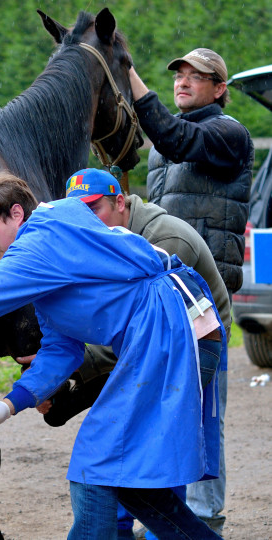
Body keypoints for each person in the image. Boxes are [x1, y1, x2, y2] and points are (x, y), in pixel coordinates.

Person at [0, 169, 224, 539]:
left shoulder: (44, 237)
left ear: (17, 214)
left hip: (171, 331)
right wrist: (6, 406)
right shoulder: (49, 267)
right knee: (131, 485)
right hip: (174, 331)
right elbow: (61, 350)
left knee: (96, 463)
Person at [29, 173, 230, 538]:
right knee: (123, 451)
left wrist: (69, 372)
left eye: (95, 209)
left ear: (120, 202)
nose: (88, 221)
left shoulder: (161, 239)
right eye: (80, 213)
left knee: (155, 449)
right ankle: (122, 529)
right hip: (144, 347)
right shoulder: (106, 240)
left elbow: (154, 326)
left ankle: (162, 530)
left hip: (193, 347)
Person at [128, 47, 254, 536]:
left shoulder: (228, 134)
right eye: (179, 73)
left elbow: (175, 135)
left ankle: (204, 518)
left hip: (205, 299)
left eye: (196, 75)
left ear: (219, 88)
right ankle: (167, 514)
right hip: (163, 295)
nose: (183, 81)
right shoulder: (165, 147)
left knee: (202, 411)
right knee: (163, 405)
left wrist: (130, 76)